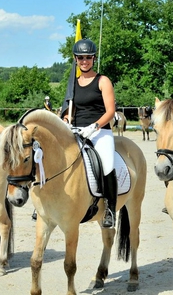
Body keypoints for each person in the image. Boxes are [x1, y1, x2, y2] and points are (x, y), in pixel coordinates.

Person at [61, 38, 117, 228]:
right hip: (76, 130)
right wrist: (67, 120)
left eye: (88, 57)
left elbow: (110, 111)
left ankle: (109, 207)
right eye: (80, 57)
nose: (84, 60)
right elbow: (70, 109)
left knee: (107, 164)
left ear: (94, 58)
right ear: (75, 59)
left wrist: (94, 126)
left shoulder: (103, 81)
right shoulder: (73, 84)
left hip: (99, 131)